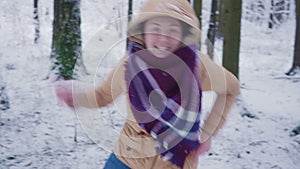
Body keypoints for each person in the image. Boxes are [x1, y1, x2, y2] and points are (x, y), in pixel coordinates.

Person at [55, 0, 240, 168]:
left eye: (173, 30)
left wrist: (207, 133)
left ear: (183, 34)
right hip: (126, 159)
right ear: (143, 31)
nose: (163, 39)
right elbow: (102, 96)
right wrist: (76, 96)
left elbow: (232, 88)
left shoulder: (197, 66)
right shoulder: (129, 64)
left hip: (175, 163)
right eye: (156, 28)